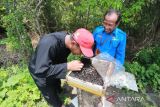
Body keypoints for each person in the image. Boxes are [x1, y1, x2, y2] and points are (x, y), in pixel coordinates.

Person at [28, 28, 94, 107]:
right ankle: (57, 104)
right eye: (81, 51)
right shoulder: (49, 43)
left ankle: (59, 91)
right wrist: (67, 66)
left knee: (56, 84)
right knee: (50, 92)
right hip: (39, 70)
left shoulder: (67, 40)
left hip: (54, 64)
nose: (81, 54)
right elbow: (41, 71)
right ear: (73, 43)